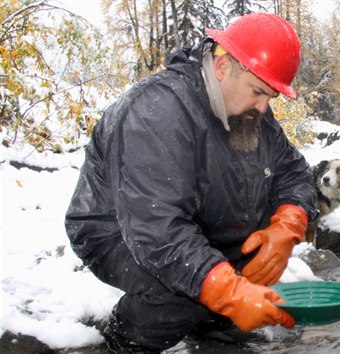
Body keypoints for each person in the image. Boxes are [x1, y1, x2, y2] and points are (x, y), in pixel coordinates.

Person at [65, 13, 317, 353]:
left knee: (250, 254)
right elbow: (157, 231)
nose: (263, 107)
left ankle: (210, 322)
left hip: (193, 221)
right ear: (224, 66)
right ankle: (123, 339)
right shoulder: (155, 112)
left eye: (270, 97)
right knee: (179, 288)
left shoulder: (249, 110)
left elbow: (295, 172)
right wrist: (227, 291)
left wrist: (287, 226)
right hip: (117, 231)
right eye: (258, 92)